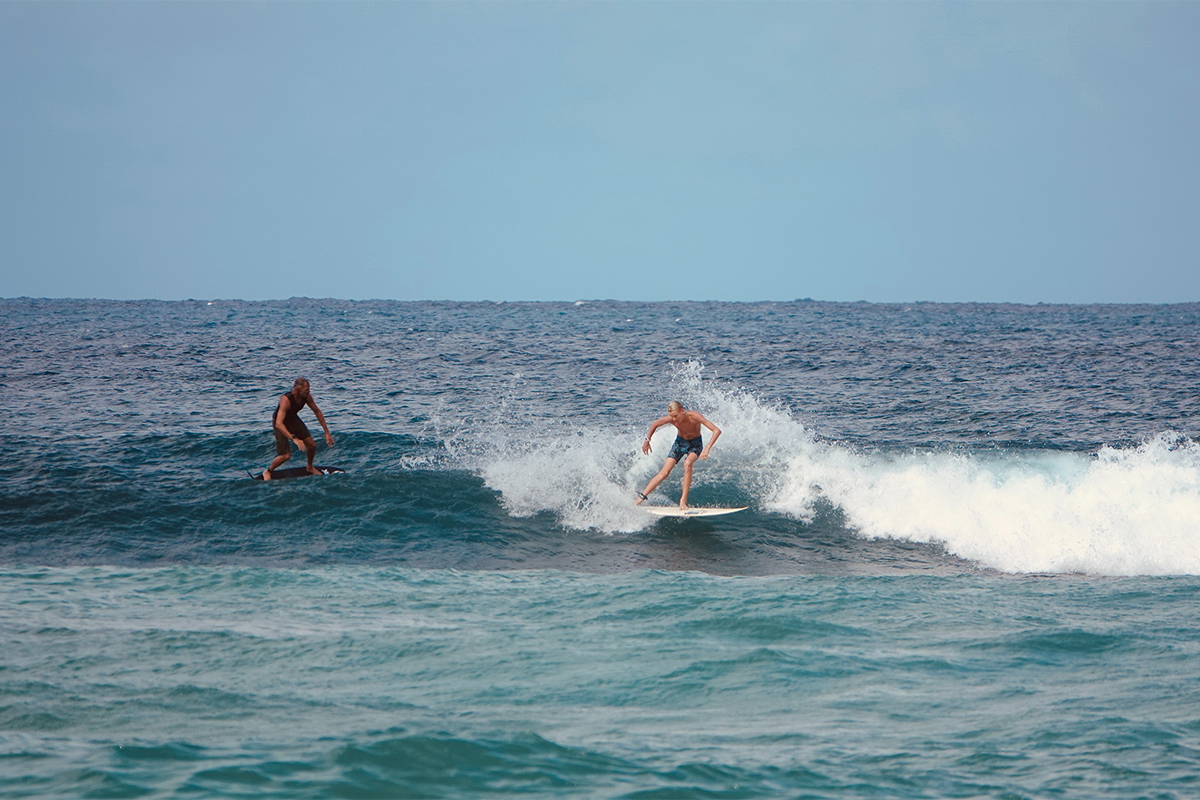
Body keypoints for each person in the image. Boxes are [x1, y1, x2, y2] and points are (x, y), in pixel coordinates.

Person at [635, 400, 722, 509]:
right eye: (671, 416)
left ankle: (683, 501)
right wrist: (647, 441)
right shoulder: (672, 419)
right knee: (664, 473)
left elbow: (716, 430)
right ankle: (641, 497)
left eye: (676, 416)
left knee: (688, 464)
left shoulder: (694, 417)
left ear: (682, 411)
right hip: (679, 443)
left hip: (695, 444)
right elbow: (655, 424)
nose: (674, 419)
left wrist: (707, 449)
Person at [262, 377, 334, 480]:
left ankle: (309, 467)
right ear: (298, 390)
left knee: (312, 445)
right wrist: (294, 439)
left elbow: (317, 412)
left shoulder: (307, 397)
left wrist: (326, 432)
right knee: (285, 456)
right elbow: (279, 423)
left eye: (308, 389)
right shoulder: (286, 399)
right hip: (280, 422)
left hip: (293, 419)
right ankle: (268, 471)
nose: (308, 392)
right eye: (306, 390)